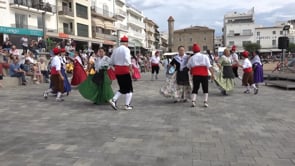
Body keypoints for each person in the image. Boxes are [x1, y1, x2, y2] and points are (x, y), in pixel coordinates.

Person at [109, 36, 134, 110]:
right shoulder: (126, 49)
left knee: (123, 88)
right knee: (129, 88)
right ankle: (126, 105)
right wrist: (131, 69)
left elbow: (111, 61)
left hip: (117, 70)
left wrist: (114, 68)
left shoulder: (116, 49)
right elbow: (127, 58)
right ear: (126, 43)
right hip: (124, 70)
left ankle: (114, 100)